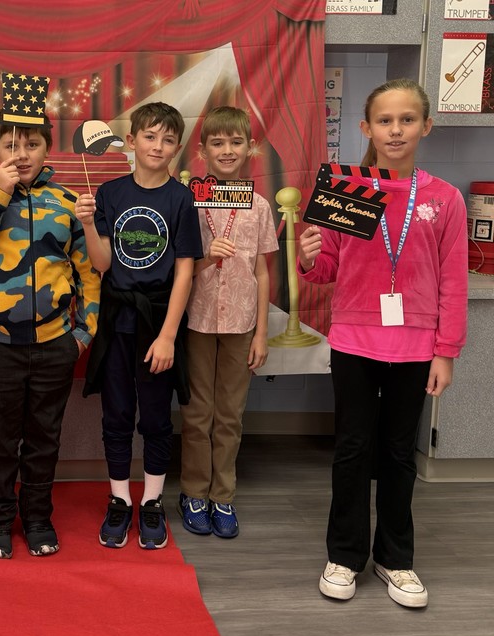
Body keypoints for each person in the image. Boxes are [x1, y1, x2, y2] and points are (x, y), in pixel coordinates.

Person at [298, 79, 467, 608]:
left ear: (425, 126)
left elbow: (453, 280)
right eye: (385, 121)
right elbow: (325, 271)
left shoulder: (444, 199)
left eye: (407, 120)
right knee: (351, 448)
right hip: (353, 341)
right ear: (365, 127)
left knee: (398, 453)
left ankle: (395, 557)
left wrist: (446, 350)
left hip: (417, 349)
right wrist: (307, 255)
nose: (396, 130)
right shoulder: (345, 187)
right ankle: (344, 555)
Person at [0, 110, 101, 559]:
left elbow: (89, 272)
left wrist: (83, 332)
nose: (22, 155)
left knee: (44, 439)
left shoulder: (66, 200)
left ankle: (37, 517)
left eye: (32, 145)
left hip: (54, 343)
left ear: (47, 149)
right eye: (11, 146)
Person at [77, 102, 202, 551]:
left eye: (168, 140)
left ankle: (151, 501)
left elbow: (186, 270)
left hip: (158, 321)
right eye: (150, 136)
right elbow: (102, 263)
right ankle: (118, 499)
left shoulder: (181, 198)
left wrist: (168, 334)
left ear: (178, 148)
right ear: (131, 141)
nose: (158, 146)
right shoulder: (110, 193)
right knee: (116, 415)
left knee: (153, 416)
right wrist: (89, 223)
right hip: (116, 321)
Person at [177, 106, 278, 539]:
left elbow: (261, 271)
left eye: (236, 142)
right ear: (202, 151)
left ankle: (223, 496)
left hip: (240, 324)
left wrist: (261, 333)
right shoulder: (189, 202)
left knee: (231, 414)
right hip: (197, 321)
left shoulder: (258, 206)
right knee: (199, 413)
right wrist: (206, 257)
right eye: (217, 143)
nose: (227, 150)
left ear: (250, 148)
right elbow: (181, 267)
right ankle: (194, 492)